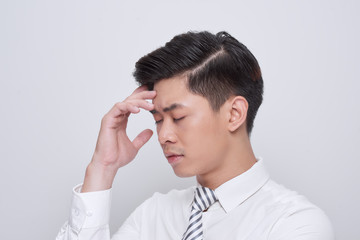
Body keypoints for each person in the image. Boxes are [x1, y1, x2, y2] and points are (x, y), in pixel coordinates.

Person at [56, 31, 334, 240]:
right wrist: (102, 168)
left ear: (234, 113)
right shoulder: (154, 214)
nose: (164, 135)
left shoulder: (295, 224)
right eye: (157, 120)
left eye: (178, 118)